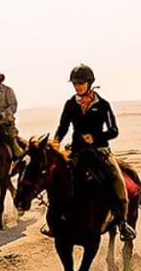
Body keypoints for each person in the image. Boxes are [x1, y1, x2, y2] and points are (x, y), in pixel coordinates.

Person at [52, 64, 136, 241]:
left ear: (89, 83)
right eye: (74, 83)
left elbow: (114, 130)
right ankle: (54, 220)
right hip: (76, 151)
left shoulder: (103, 105)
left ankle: (122, 223)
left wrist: (96, 137)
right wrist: (56, 141)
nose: (77, 86)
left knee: (118, 181)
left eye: (80, 82)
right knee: (56, 176)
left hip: (100, 151)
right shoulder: (70, 104)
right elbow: (63, 127)